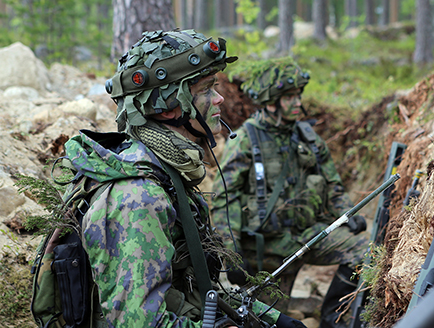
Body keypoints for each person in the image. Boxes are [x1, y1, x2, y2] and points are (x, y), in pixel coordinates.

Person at [61, 30, 306, 328]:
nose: (220, 99)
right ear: (167, 106)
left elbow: (203, 289)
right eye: (206, 89)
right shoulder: (137, 197)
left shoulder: (168, 172)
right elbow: (140, 324)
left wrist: (272, 318)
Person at [210, 57, 369, 328]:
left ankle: (333, 320)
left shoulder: (307, 136)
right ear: (271, 101)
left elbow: (332, 184)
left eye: (299, 96)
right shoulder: (247, 139)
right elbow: (226, 199)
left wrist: (347, 212)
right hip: (268, 252)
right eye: (290, 97)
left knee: (364, 252)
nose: (298, 103)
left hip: (308, 236)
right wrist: (232, 255)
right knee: (269, 321)